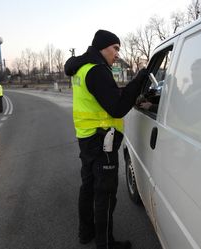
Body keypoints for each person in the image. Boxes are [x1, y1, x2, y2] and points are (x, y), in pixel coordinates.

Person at [64, 29, 147, 249]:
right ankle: (106, 244)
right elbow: (117, 108)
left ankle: (86, 233)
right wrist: (138, 81)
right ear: (102, 47)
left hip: (87, 137)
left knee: (88, 187)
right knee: (106, 193)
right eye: (115, 48)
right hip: (102, 141)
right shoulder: (98, 71)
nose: (117, 54)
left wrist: (124, 92)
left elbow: (103, 95)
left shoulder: (82, 68)